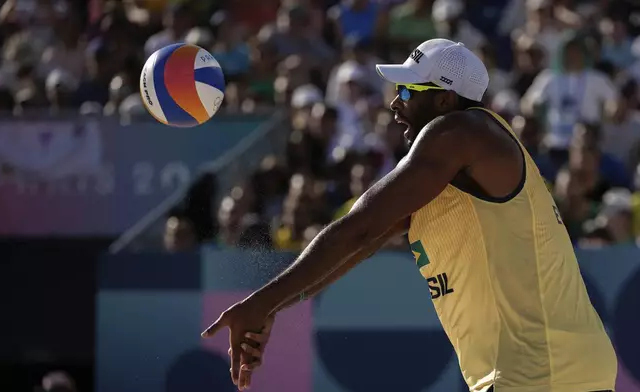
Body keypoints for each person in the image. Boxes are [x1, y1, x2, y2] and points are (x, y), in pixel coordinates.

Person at [202, 39, 617, 392]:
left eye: (406, 92)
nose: (393, 104)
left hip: (537, 369)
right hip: (560, 364)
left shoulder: (459, 132)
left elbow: (358, 228)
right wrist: (273, 307)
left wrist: (261, 301)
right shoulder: (452, 167)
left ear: (443, 99)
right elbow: (358, 246)